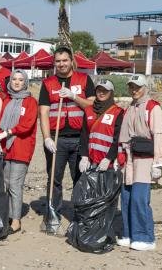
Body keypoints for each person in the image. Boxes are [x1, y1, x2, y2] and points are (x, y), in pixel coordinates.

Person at [38, 46, 95, 217]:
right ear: (54, 63)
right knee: (54, 178)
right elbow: (44, 112)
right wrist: (47, 138)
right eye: (58, 61)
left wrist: (73, 96)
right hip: (57, 139)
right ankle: (53, 213)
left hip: (80, 138)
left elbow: (92, 105)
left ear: (71, 61)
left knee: (79, 177)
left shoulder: (84, 79)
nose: (61, 64)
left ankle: (80, 214)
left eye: (65, 60)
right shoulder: (48, 83)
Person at [118, 75, 162, 251]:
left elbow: (159, 134)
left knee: (139, 199)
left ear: (145, 87)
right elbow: (123, 136)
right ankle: (129, 233)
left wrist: (158, 162)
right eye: (131, 87)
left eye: (137, 87)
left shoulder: (153, 108)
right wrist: (120, 158)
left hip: (145, 160)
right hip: (129, 160)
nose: (134, 90)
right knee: (126, 197)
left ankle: (145, 237)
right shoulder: (129, 108)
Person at [0, 69, 38, 233]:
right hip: (5, 148)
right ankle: (7, 215)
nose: (17, 82)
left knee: (15, 185)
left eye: (20, 80)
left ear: (25, 82)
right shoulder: (7, 100)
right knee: (6, 184)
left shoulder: (30, 102)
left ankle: (16, 220)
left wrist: (9, 132)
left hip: (21, 148)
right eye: (14, 79)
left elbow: (27, 124)